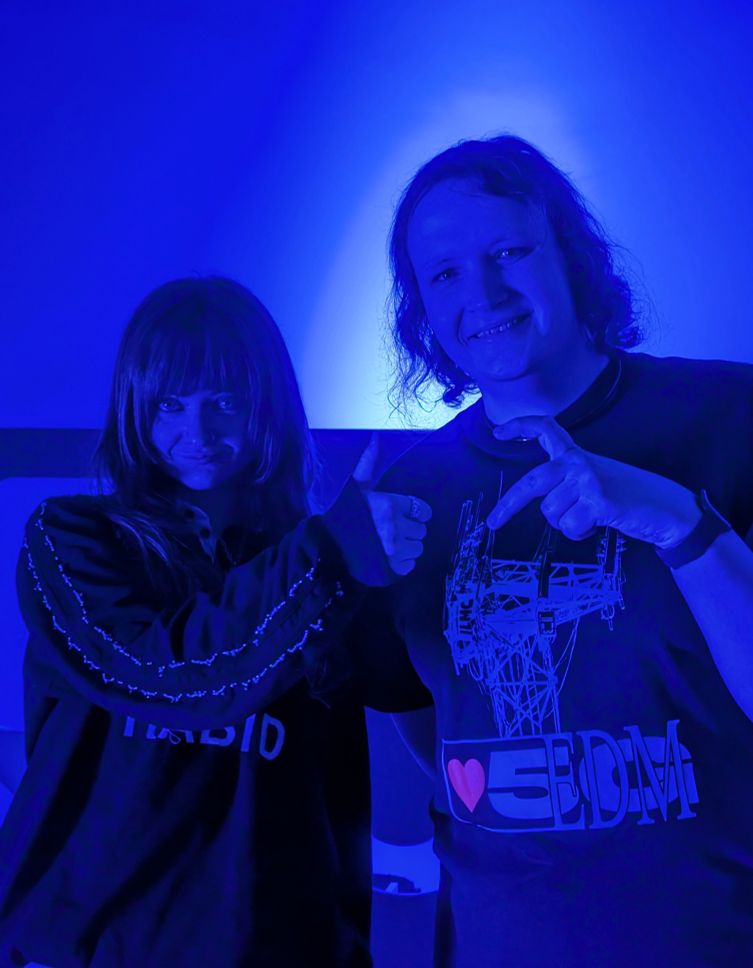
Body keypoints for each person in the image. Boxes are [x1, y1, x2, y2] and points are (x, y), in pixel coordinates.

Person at [365, 134, 753, 966]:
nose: (483, 291)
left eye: (507, 250)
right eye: (443, 275)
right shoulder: (408, 493)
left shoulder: (732, 418)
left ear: (569, 254)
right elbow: (424, 719)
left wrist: (680, 522)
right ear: (421, 310)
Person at [0, 275, 431, 967]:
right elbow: (165, 676)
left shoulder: (323, 565)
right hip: (94, 948)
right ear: (133, 408)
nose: (194, 432)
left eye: (224, 401)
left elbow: (413, 708)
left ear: (268, 407)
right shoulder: (72, 540)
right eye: (168, 403)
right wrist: (331, 548)